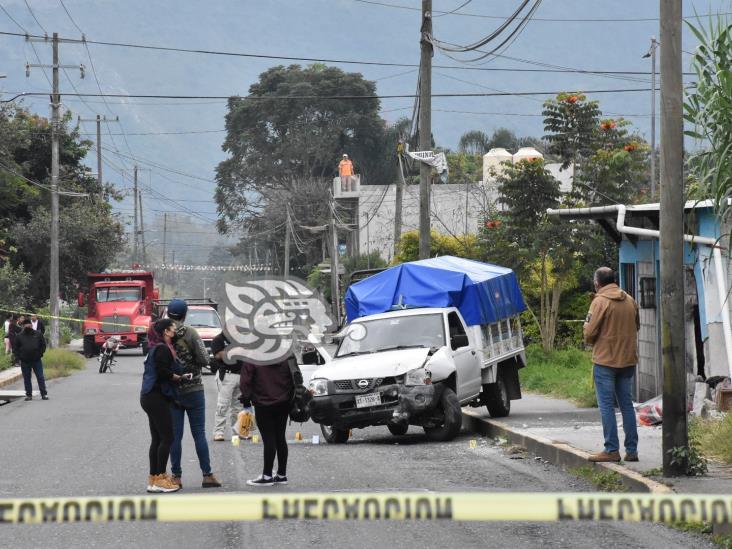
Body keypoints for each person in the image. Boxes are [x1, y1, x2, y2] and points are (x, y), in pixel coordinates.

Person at [583, 267, 640, 463]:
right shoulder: (630, 300)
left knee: (606, 406)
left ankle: (611, 449)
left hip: (605, 361)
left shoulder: (599, 301)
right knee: (627, 405)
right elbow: (637, 326)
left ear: (597, 283)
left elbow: (589, 333)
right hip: (628, 360)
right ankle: (632, 450)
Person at [167, 299, 222, 489]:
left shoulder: (163, 333)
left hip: (172, 391)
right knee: (199, 433)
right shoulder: (190, 332)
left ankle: (176, 477)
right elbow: (204, 358)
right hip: (194, 389)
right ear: (185, 314)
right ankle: (207, 475)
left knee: (175, 436)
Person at [140, 318, 183, 493]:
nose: (175, 331)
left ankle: (154, 478)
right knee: (168, 438)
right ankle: (160, 479)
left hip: (149, 396)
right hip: (156, 397)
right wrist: (178, 377)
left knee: (157, 439)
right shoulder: (163, 349)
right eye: (173, 328)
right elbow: (163, 372)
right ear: (166, 331)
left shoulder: (154, 347)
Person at [240, 354, 294, 486]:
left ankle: (267, 475)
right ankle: (281, 474)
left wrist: (246, 399)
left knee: (269, 438)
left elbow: (245, 381)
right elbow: (294, 376)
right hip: (284, 401)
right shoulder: (285, 354)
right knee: (280, 437)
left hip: (263, 402)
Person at [210, 331, 252, 442]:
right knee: (223, 405)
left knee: (238, 406)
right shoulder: (219, 339)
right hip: (227, 374)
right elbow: (217, 355)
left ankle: (239, 431)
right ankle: (218, 432)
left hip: (241, 375)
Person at [12, 318, 48, 401]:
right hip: (25, 361)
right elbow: (15, 348)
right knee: (27, 378)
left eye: (28, 324)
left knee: (40, 377)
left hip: (36, 360)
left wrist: (40, 354)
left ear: (31, 325)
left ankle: (44, 394)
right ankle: (29, 395)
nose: (27, 326)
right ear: (23, 326)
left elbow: (43, 345)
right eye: (25, 325)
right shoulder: (19, 336)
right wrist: (19, 357)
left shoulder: (38, 334)